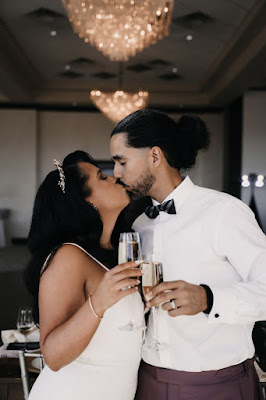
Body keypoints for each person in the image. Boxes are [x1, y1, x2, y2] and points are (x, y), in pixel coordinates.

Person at [110, 109, 266, 400]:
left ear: (154, 157)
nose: (116, 173)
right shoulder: (138, 225)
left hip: (219, 385)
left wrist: (209, 298)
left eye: (121, 161)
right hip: (148, 381)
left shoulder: (224, 212)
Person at [24, 150, 144, 400]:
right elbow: (54, 357)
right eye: (102, 177)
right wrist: (98, 302)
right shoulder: (69, 257)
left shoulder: (118, 253)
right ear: (85, 201)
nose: (114, 178)